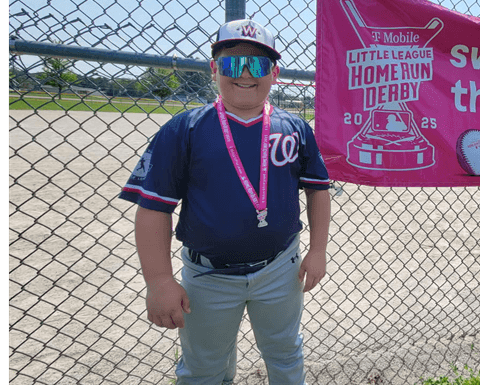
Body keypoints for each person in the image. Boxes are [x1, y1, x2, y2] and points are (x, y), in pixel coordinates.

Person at [118, 19, 331, 384]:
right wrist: (159, 280)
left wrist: (318, 249)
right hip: (209, 275)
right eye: (233, 63)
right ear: (214, 69)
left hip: (281, 268)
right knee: (204, 366)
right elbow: (153, 208)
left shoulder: (295, 129)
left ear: (275, 73)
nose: (245, 74)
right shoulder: (184, 129)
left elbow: (318, 189)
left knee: (285, 352)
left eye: (258, 65)